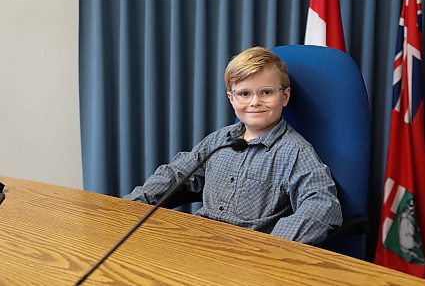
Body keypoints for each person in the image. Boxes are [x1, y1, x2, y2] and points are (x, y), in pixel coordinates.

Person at [125, 46, 342, 245]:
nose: (254, 102)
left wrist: (274, 247)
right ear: (232, 98)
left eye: (266, 92)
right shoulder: (219, 141)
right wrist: (129, 208)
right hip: (197, 243)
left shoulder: (295, 152)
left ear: (284, 96)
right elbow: (176, 174)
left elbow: (322, 203)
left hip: (249, 254)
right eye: (244, 94)